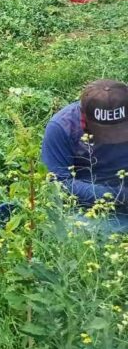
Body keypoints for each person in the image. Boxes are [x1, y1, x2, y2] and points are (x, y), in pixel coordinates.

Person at [39, 78, 128, 233]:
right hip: (87, 203)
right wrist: (118, 196)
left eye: (118, 130)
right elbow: (59, 183)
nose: (111, 139)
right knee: (82, 232)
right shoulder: (62, 127)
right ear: (84, 118)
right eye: (105, 133)